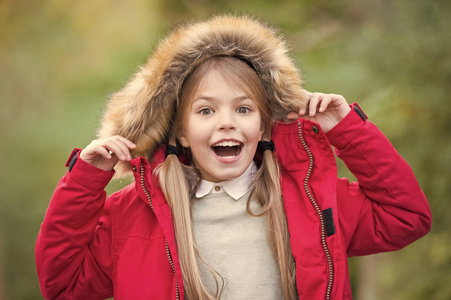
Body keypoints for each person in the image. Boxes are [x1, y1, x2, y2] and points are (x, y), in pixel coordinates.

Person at [35, 15, 431, 300]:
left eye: (243, 109)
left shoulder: (312, 199)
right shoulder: (135, 214)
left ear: (263, 127)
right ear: (181, 133)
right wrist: (85, 179)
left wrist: (347, 128)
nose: (227, 123)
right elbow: (63, 282)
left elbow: (406, 217)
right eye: (206, 111)